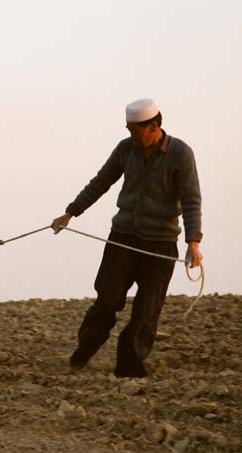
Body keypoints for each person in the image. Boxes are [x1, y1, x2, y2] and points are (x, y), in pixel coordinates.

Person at [51, 98, 203, 378]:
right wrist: (70, 212)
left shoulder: (181, 154)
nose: (131, 136)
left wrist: (193, 243)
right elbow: (101, 182)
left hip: (160, 244)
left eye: (135, 131)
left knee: (146, 312)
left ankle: (129, 370)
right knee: (106, 302)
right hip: (122, 239)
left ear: (154, 127)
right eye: (129, 130)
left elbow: (191, 200)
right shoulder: (125, 149)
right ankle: (82, 353)